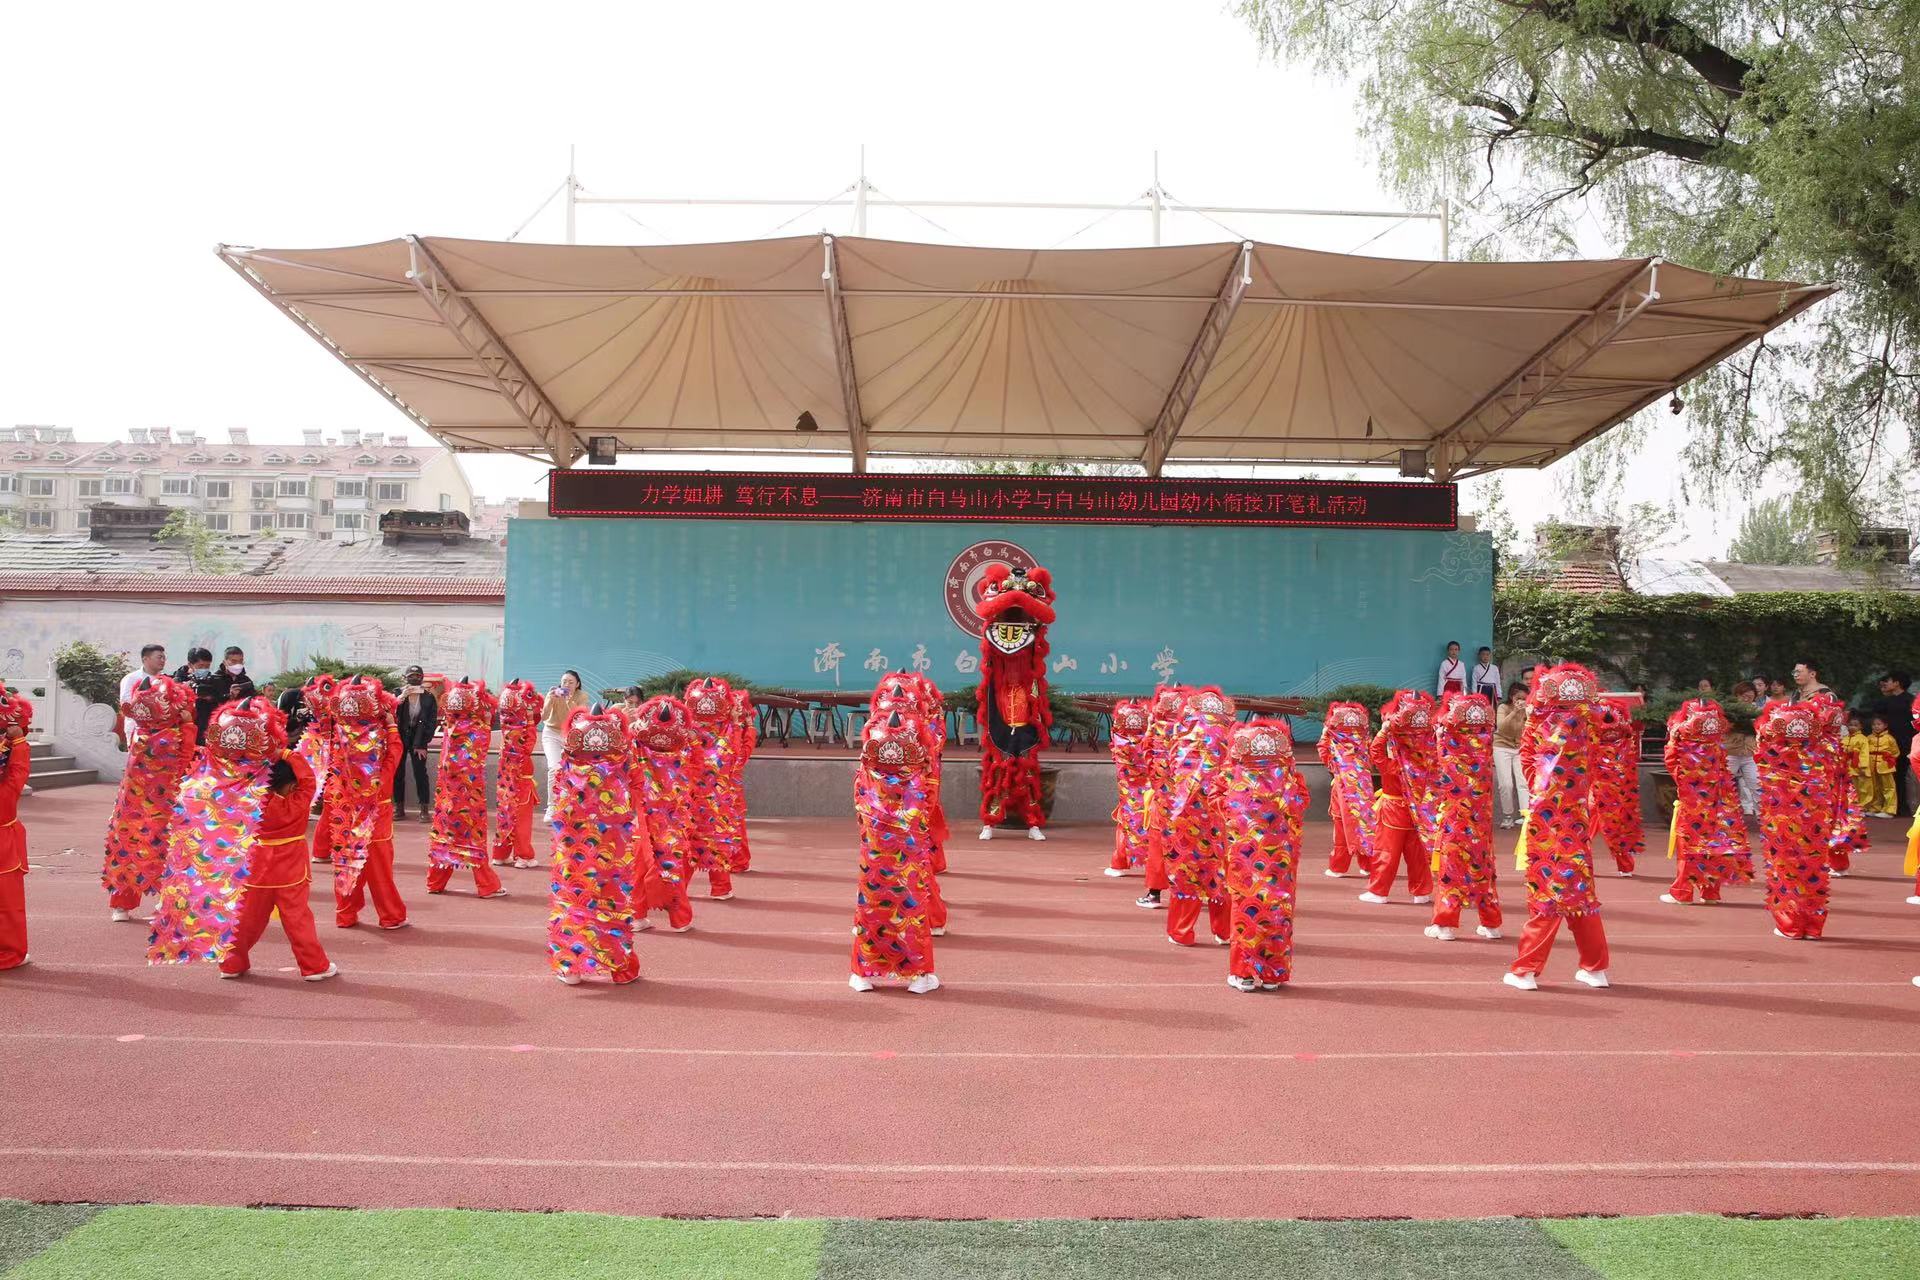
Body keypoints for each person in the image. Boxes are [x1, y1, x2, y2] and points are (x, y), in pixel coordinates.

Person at [147, 696, 284, 967]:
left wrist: (187, 728)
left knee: (231, 904)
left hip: (221, 859)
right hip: (265, 859)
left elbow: (187, 755)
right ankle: (233, 960)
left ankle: (230, 962)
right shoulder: (269, 779)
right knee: (246, 905)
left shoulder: (202, 770)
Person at [1505, 664, 1611, 990]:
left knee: (1549, 890)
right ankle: (1595, 967)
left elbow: (1527, 763)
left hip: (1547, 820)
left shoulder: (1540, 725)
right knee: (1580, 891)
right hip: (1577, 818)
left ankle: (1526, 969)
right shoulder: (1591, 729)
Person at [218, 751, 337, 981]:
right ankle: (314, 967)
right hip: (290, 868)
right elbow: (309, 779)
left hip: (257, 866)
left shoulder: (251, 801)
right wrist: (285, 752)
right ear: (291, 785)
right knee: (297, 919)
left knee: (246, 918)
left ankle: (231, 963)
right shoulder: (298, 801)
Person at [548, 704, 642, 986]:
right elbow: (637, 788)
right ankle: (622, 968)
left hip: (575, 842)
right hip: (614, 841)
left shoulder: (568, 762)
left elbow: (557, 793)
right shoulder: (625, 758)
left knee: (574, 895)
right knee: (611, 896)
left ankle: (572, 966)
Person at [849, 708, 940, 993]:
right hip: (909, 852)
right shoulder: (920, 776)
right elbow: (929, 806)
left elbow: (859, 810)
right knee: (911, 906)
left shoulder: (867, 774)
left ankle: (862, 973)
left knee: (872, 905)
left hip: (875, 853)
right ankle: (918, 976)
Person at [1219, 719, 1309, 990]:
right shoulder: (1288, 774)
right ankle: (1272, 974)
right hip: (1279, 852)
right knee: (1276, 907)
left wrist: (1236, 818)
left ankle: (1245, 972)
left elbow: (1217, 797)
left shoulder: (1234, 773)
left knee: (1248, 906)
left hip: (1248, 852)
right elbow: (1301, 801)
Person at [102, 674, 197, 921]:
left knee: (128, 849)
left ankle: (120, 906)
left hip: (131, 806)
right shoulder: (175, 737)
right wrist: (188, 726)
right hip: (166, 807)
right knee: (172, 851)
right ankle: (169, 905)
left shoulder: (139, 735)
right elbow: (186, 761)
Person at [329, 675, 408, 930]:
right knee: (379, 867)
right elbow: (395, 753)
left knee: (347, 861)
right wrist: (392, 726)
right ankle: (390, 915)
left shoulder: (339, 742)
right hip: (376, 809)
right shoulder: (379, 753)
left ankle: (345, 914)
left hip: (344, 809)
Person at [1162, 687, 1237, 947]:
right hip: (1220, 813)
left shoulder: (1181, 732)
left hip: (1186, 813)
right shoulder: (1230, 736)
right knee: (1222, 871)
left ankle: (1182, 931)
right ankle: (1225, 931)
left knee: (1185, 868)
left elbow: (1168, 767)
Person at [1661, 698, 1754, 905]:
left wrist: (1675, 741)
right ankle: (1710, 892)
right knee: (1715, 843)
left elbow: (1672, 763)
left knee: (1689, 845)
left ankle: (1682, 892)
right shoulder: (1716, 744)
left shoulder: (1683, 743)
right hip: (1719, 801)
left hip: (1693, 801)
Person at [1427, 693, 1501, 942]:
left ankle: (1445, 924)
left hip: (1457, 818)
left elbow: (1436, 769)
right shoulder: (1486, 752)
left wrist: (1440, 736)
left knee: (1453, 867)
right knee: (1484, 869)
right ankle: (1491, 924)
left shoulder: (1450, 754)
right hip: (1481, 821)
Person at [1755, 702, 1833, 941]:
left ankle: (1790, 925)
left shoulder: (1773, 756)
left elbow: (1760, 752)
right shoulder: (1821, 755)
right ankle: (1813, 926)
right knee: (1813, 867)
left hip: (1784, 817)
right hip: (1814, 819)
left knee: (1786, 867)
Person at [426, 678, 507, 898]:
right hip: (468, 797)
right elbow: (481, 747)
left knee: (445, 834)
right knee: (471, 835)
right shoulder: (476, 731)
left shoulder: (449, 730)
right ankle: (486, 885)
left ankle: (435, 882)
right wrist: (487, 720)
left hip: (446, 797)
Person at [1359, 691, 1437, 905]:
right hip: (1419, 811)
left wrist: (1384, 732)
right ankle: (1421, 891)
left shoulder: (1393, 766)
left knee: (1386, 852)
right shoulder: (1424, 767)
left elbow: (1375, 753)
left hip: (1393, 810)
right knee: (1417, 854)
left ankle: (1379, 891)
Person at [629, 696, 697, 932]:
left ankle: (636, 914)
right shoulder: (684, 748)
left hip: (644, 816)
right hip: (672, 816)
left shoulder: (636, 747)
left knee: (640, 862)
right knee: (671, 862)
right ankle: (679, 918)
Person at [1133, 686, 1189, 910]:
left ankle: (1154, 894)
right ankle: (1195, 891)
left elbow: (1146, 755)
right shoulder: (1193, 731)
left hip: (1164, 798)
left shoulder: (1156, 730)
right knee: (1191, 845)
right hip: (1189, 802)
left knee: (1158, 844)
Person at [1317, 701, 1379, 877]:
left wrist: (1325, 736)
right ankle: (1367, 865)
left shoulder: (1335, 744)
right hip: (1364, 784)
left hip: (1342, 784)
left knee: (1341, 824)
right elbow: (1373, 753)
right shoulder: (1365, 737)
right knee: (1364, 822)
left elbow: (1323, 751)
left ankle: (1339, 866)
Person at [1589, 695, 1645, 876]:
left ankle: (1580, 861)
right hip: (1615, 786)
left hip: (1602, 786)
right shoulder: (1625, 735)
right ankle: (1625, 865)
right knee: (1614, 824)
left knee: (1594, 823)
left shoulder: (1595, 728)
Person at [492, 679, 543, 869]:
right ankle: (524, 856)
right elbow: (528, 745)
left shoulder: (505, 732)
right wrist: (530, 722)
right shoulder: (521, 733)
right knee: (522, 819)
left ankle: (500, 854)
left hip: (506, 781)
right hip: (521, 780)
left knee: (505, 816)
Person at [0, 692, 34, 971]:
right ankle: (11, 952)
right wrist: (19, 741)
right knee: (9, 905)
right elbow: (19, 771)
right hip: (5, 848)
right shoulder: (6, 792)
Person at [1106, 699, 1152, 875]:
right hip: (1150, 789)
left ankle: (1121, 862)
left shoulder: (1119, 740)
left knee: (1126, 820)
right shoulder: (1152, 739)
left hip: (1129, 789)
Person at [541, 671, 589, 821]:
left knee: (575, 771)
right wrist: (550, 699)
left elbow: (579, 718)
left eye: (570, 682)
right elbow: (543, 716)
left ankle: (573, 807)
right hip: (552, 733)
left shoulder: (582, 696)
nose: (566, 685)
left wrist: (569, 701)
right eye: (564, 682)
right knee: (555, 768)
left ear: (577, 684)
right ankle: (551, 807)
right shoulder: (553, 693)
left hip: (571, 735)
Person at [392, 665, 438, 821]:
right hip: (400, 736)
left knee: (420, 772)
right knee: (398, 772)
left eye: (418, 676)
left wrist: (423, 743)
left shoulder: (428, 697)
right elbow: (389, 712)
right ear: (405, 678)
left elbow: (431, 722)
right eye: (411, 675)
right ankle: (399, 807)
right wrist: (401, 698)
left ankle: (424, 809)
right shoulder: (398, 693)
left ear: (422, 678)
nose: (415, 678)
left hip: (418, 738)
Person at [1874, 674, 1915, 817]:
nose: (1885, 683)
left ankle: (1901, 807)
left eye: (1888, 681)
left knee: (1901, 776)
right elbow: (1876, 711)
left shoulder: (1911, 700)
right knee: (1889, 776)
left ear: (1897, 683)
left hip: (1905, 743)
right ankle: (1891, 807)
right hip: (1887, 745)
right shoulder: (1887, 701)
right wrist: (1885, 693)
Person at [114, 643, 169, 751]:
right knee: (139, 764)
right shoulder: (131, 678)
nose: (163, 660)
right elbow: (126, 705)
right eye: (159, 657)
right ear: (146, 659)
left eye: (164, 657)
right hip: (137, 730)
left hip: (162, 731)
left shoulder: (166, 680)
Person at [1492, 684, 1530, 830]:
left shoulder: (1527, 710)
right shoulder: (1503, 708)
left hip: (1520, 747)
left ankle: (1525, 815)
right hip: (1502, 747)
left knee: (1523, 782)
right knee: (1506, 784)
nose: (1521, 701)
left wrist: (1527, 711)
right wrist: (1515, 711)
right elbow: (1501, 726)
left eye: (1524, 698)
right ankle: (1507, 816)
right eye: (1518, 698)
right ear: (1511, 697)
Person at [1725, 683, 1761, 818]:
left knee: (1757, 785)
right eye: (1744, 696)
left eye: (1750, 696)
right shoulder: (1729, 711)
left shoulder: (1757, 711)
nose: (1747, 699)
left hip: (1750, 754)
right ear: (1737, 695)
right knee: (1725, 784)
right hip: (1731, 753)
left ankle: (1762, 817)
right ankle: (1724, 816)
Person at [172, 647, 217, 740]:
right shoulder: (178, 681)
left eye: (207, 666)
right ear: (190, 665)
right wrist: (186, 690)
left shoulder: (213, 681)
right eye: (200, 666)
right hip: (183, 729)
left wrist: (211, 698)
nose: (204, 669)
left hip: (205, 728)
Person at [203, 646, 257, 718]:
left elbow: (253, 700)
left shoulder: (246, 680)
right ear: (224, 662)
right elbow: (211, 705)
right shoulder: (213, 680)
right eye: (234, 661)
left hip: (242, 722)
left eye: (240, 661)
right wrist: (230, 696)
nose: (238, 665)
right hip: (219, 722)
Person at [1868, 715, 1901, 817]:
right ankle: (1875, 808)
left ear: (1885, 725)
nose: (1876, 726)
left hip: (1885, 765)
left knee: (1889, 788)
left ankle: (1889, 810)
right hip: (1872, 765)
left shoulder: (1889, 738)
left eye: (1879, 724)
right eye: (1874, 724)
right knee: (1875, 787)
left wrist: (1889, 758)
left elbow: (1896, 752)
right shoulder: (1868, 738)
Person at [1843, 714, 1874, 811]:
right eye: (1851, 725)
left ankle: (1864, 806)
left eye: (1855, 725)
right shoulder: (1845, 738)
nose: (1852, 727)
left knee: (1864, 788)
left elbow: (1864, 753)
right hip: (1849, 766)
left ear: (1861, 727)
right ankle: (1853, 805)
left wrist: (1863, 766)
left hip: (1859, 767)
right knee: (1852, 787)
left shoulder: (1863, 738)